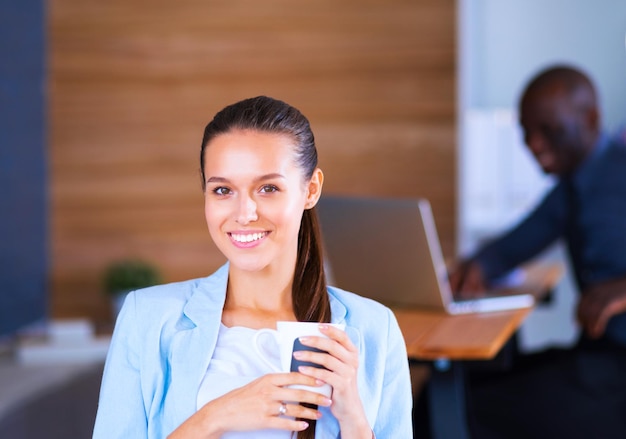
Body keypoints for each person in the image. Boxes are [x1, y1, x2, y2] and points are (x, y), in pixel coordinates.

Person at [92, 96, 412, 438]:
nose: (244, 213)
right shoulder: (147, 318)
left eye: (268, 188)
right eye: (223, 190)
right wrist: (214, 417)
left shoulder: (376, 329)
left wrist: (353, 419)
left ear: (311, 190)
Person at [449, 65, 626, 438]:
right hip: (597, 361)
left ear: (591, 119)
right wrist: (474, 268)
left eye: (550, 131)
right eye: (527, 133)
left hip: (617, 379)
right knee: (464, 387)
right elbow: (510, 248)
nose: (534, 144)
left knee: (460, 408)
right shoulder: (571, 189)